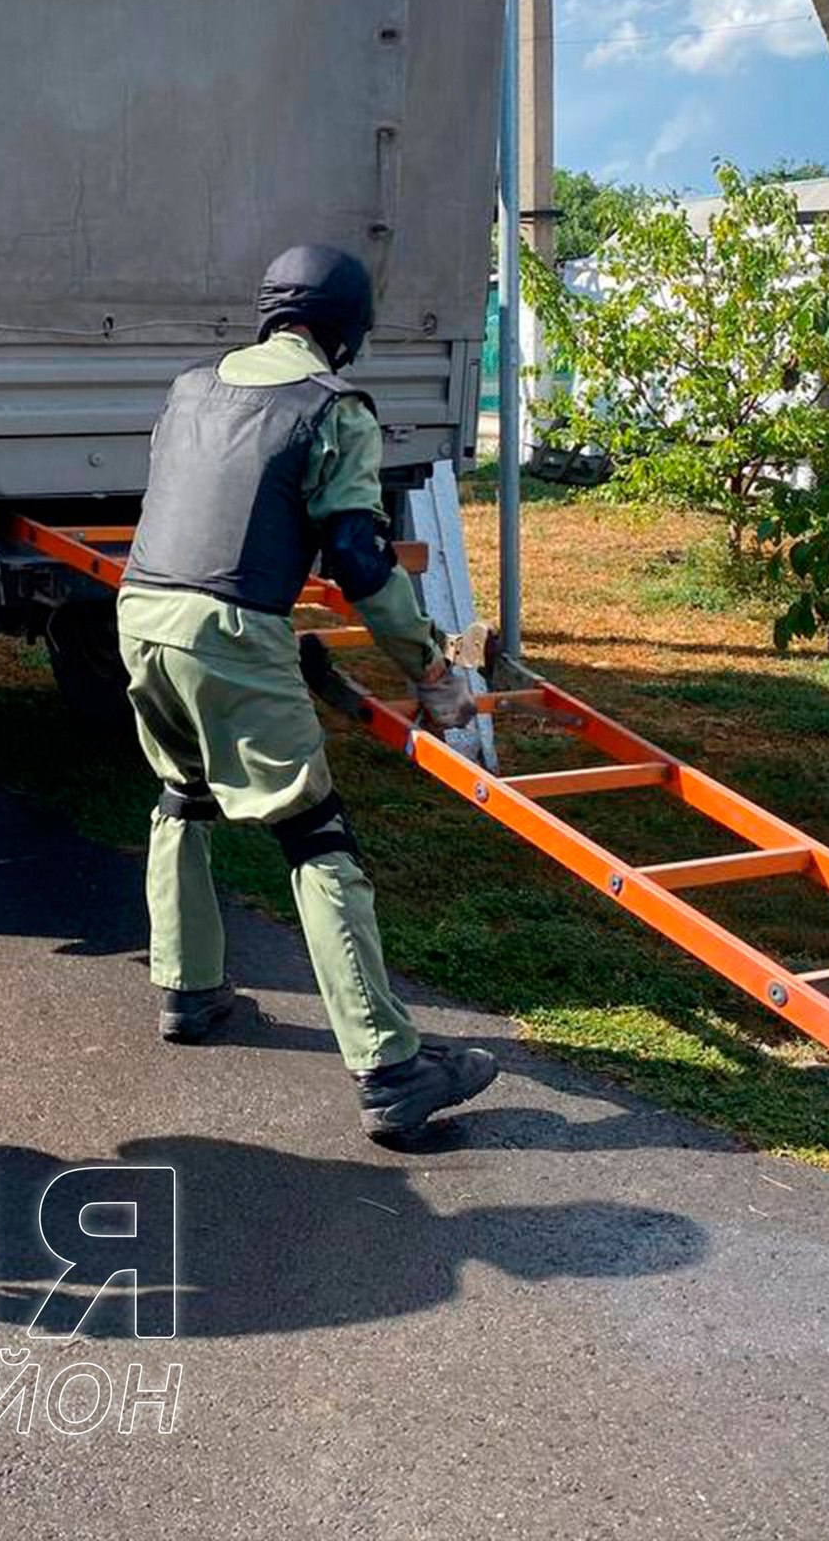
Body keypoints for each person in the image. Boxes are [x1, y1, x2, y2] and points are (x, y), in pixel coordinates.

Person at [118, 244, 499, 1141]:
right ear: (347, 331)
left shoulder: (190, 387)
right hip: (230, 630)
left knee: (182, 794)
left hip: (140, 613)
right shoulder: (334, 410)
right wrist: (430, 672)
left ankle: (188, 991)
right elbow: (360, 559)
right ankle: (391, 1069)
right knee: (314, 833)